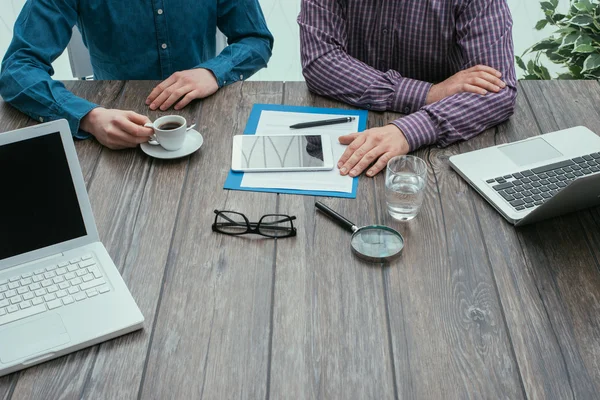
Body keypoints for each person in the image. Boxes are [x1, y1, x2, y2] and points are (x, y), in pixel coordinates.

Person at [0, 0, 273, 150]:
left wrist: (213, 72)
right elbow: (17, 68)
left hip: (206, 122)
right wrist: (87, 117)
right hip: (112, 128)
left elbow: (256, 39)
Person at [298, 0, 517, 177]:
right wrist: (429, 93)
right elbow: (320, 62)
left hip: (441, 154)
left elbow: (499, 89)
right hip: (348, 133)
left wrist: (408, 130)